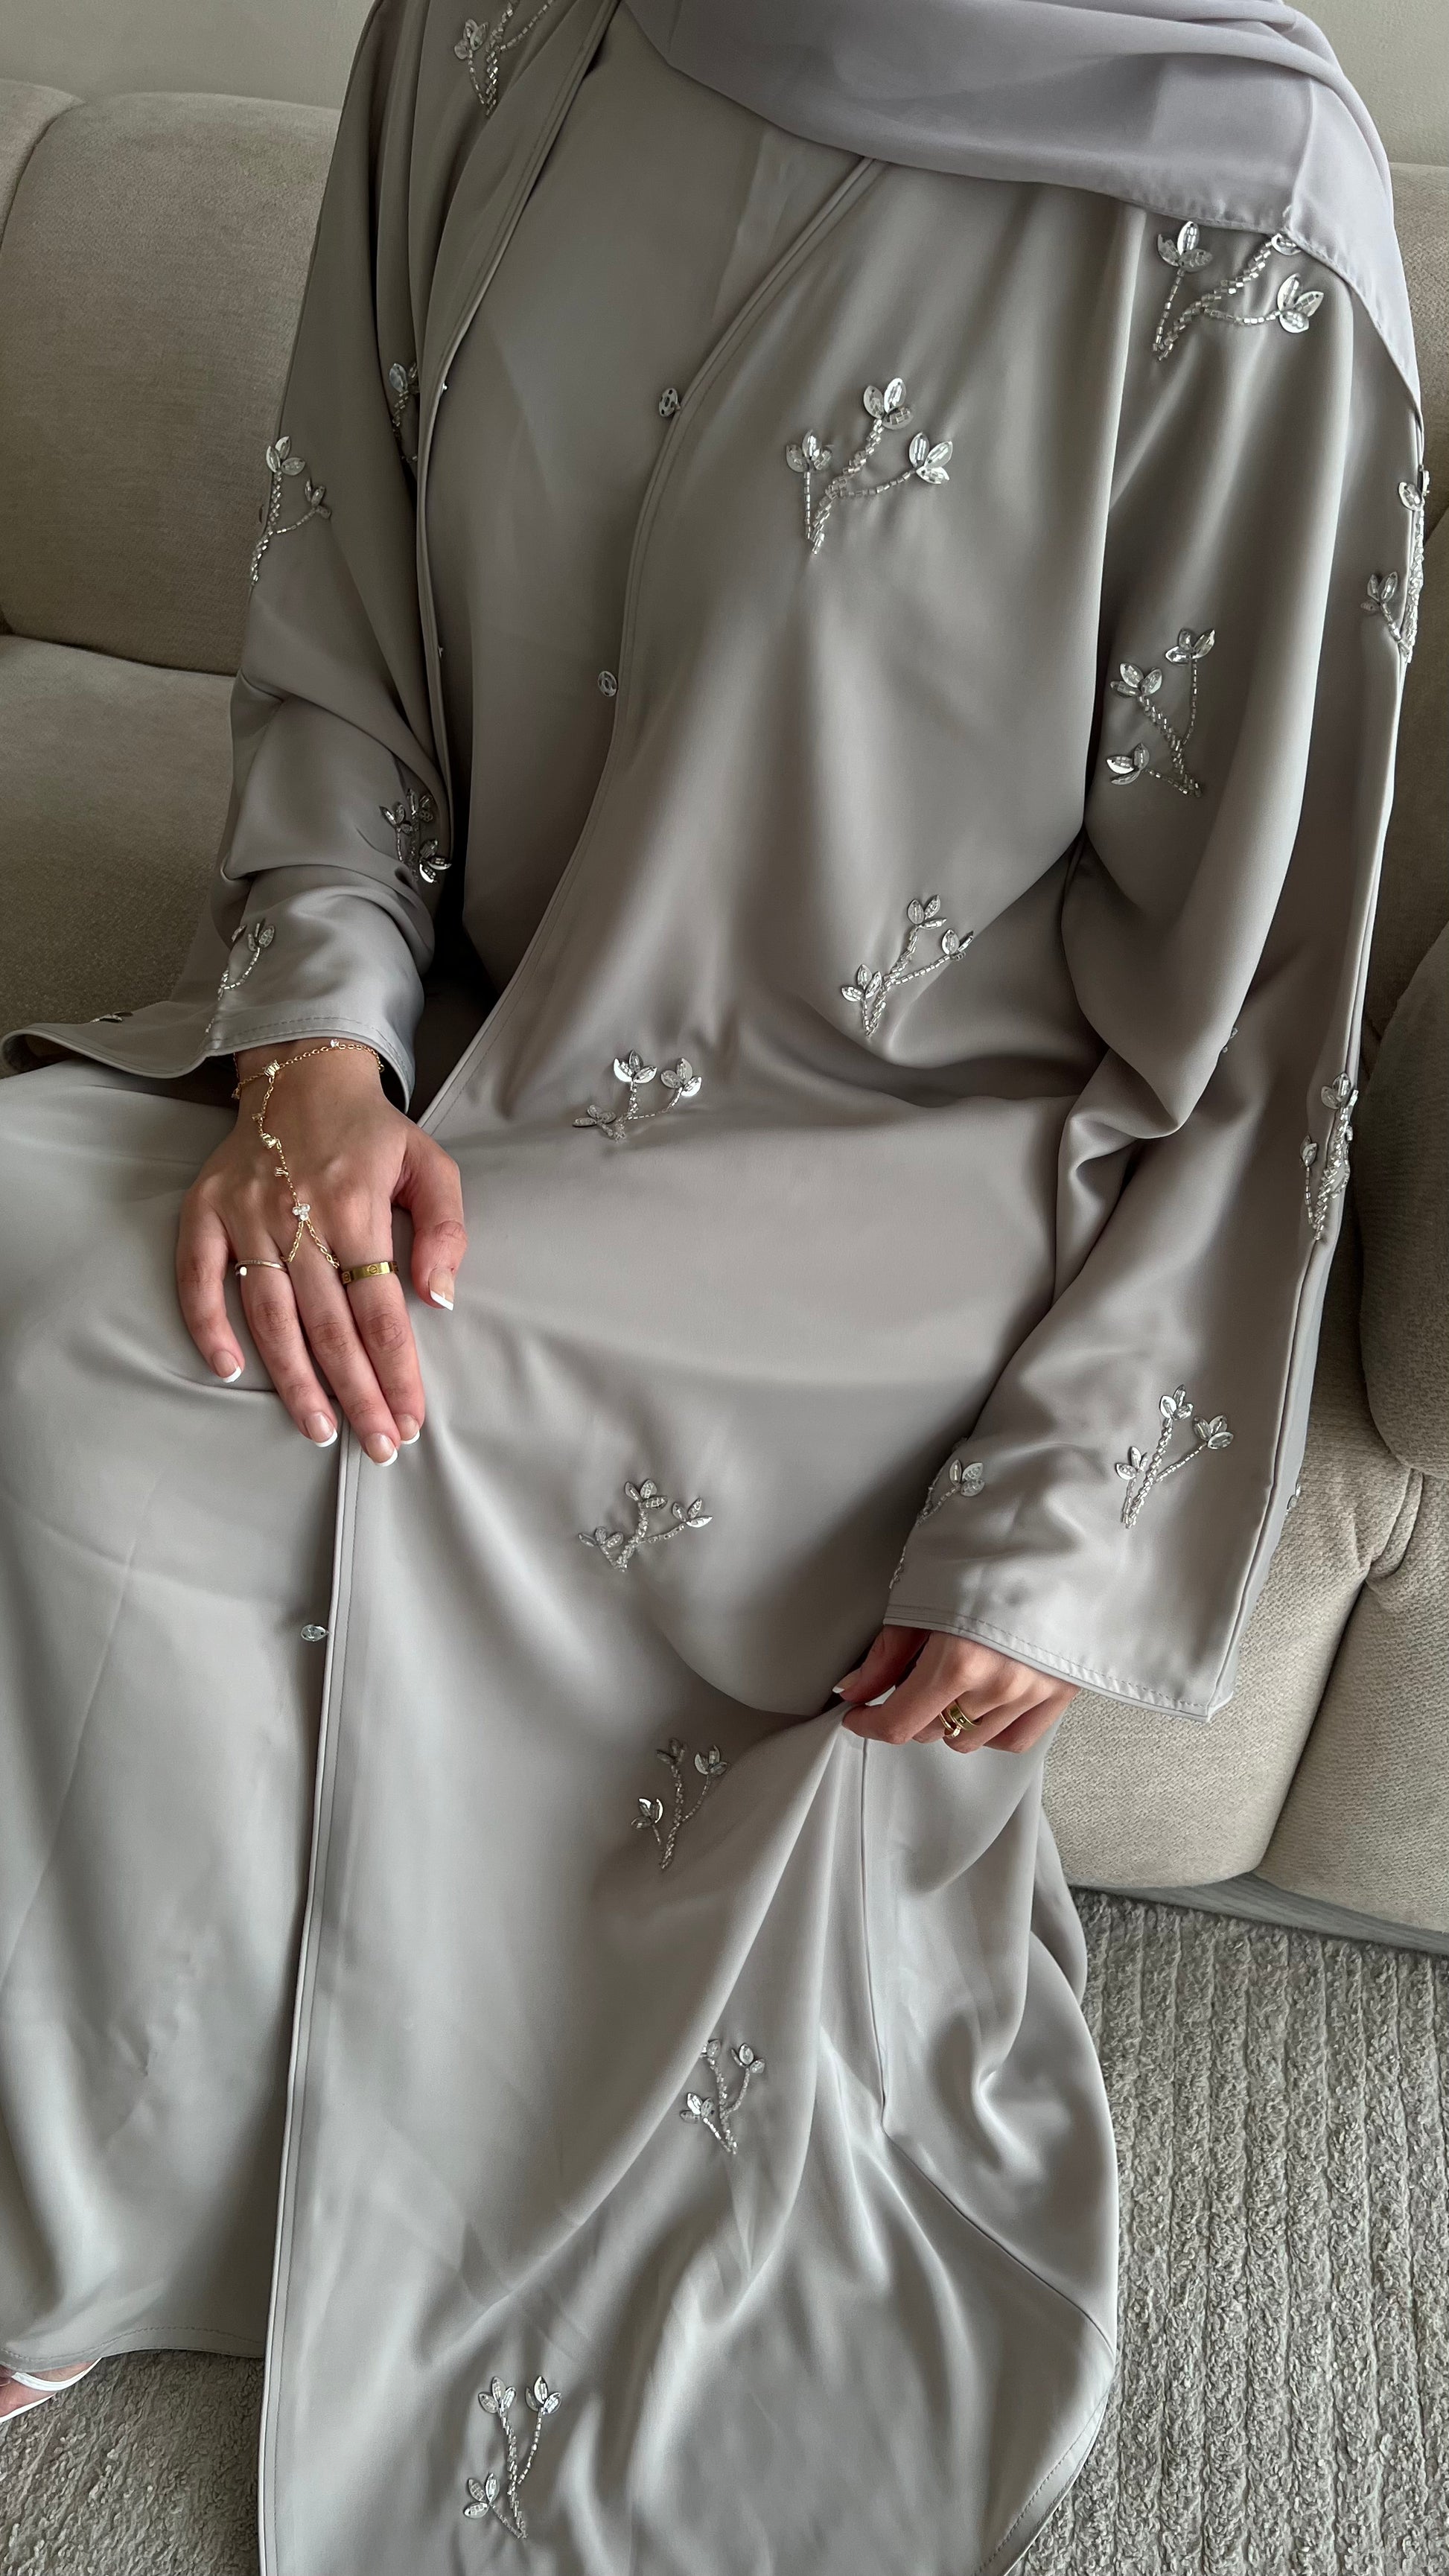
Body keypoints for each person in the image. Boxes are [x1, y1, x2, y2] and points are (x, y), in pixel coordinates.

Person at [0, 0, 1422, 2567]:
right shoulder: (494, 23)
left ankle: (93, 2202)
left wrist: (1065, 1513)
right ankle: (128, 2142)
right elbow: (340, 613)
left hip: (896, 1170)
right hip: (478, 1034)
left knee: (136, 1407)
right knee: (36, 1274)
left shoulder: (1242, 214)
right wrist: (310, 1040)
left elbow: (1258, 1016)